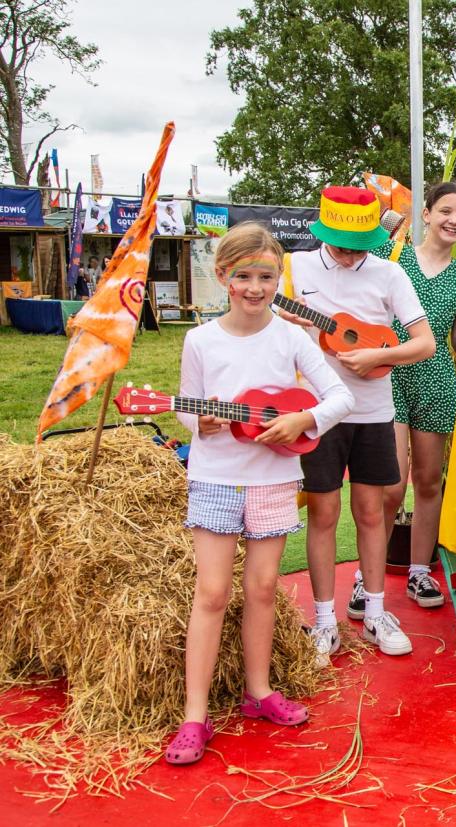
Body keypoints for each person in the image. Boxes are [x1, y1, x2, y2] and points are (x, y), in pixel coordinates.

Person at [166, 223, 354, 765]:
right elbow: (186, 405)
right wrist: (197, 421)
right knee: (213, 592)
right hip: (217, 478)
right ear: (223, 276)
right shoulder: (200, 339)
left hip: (273, 479)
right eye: (243, 275)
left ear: (278, 279)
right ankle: (194, 716)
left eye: (265, 276)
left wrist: (302, 418)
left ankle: (259, 692)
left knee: (265, 587)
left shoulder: (292, 337)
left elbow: (339, 396)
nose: (254, 286)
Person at [281, 187, 435, 662]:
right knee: (323, 513)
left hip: (373, 411)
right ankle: (324, 620)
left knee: (372, 512)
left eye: (358, 244)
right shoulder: (295, 269)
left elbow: (424, 342)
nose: (350, 253)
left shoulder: (389, 272)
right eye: (341, 243)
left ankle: (375, 612)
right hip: (317, 410)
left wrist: (379, 354)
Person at [343, 183, 456, 617]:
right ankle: (367, 575)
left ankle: (420, 569)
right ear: (427, 213)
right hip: (388, 376)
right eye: (446, 211)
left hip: (436, 379)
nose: (454, 220)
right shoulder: (391, 260)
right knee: (393, 485)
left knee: (430, 481)